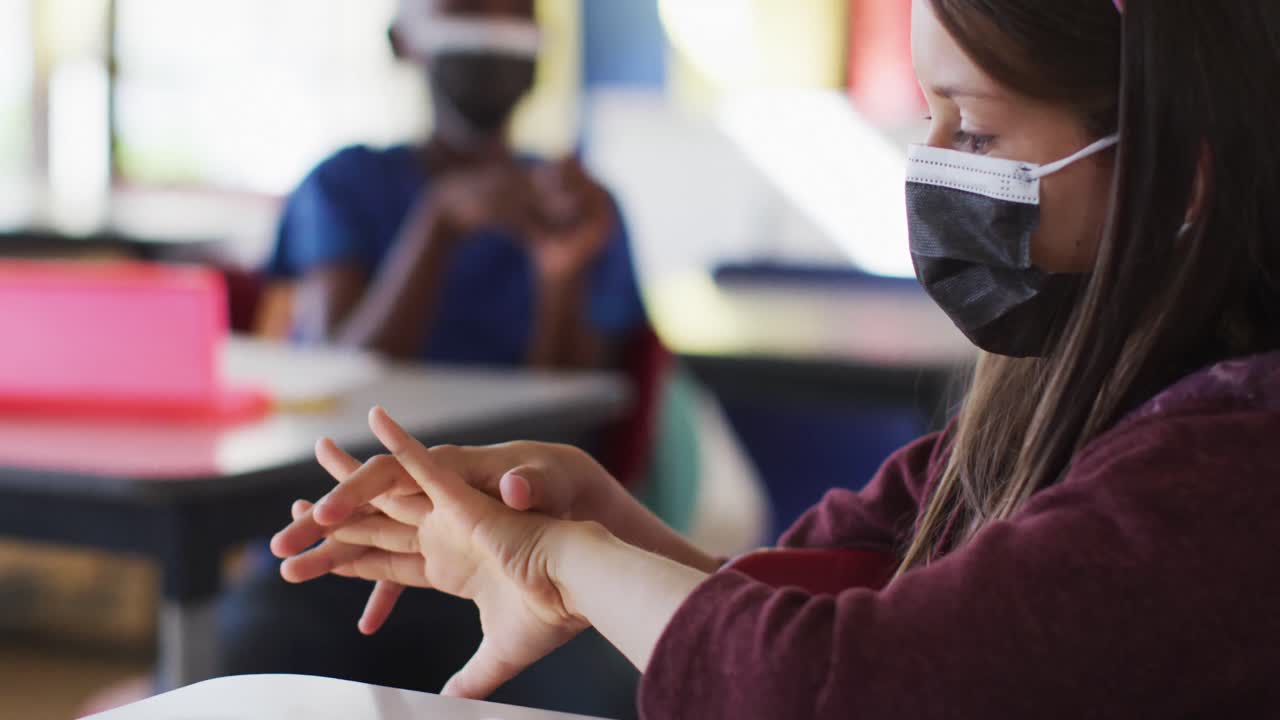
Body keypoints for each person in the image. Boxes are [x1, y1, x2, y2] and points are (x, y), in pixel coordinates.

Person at [272, 1, 1280, 718]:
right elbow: (837, 595)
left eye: (970, 129)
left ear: (1172, 172)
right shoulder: (1051, 400)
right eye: (926, 115)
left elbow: (841, 685)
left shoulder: (1228, 471)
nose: (925, 164)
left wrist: (563, 562)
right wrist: (605, 530)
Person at [219, 0, 647, 717]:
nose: (488, 38)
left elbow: (572, 425)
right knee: (249, 660)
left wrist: (560, 273)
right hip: (346, 546)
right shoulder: (347, 183)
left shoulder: (576, 202)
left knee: (605, 691)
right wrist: (438, 226)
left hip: (517, 553)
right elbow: (333, 372)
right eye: (463, 14)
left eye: (513, 18)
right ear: (403, 42)